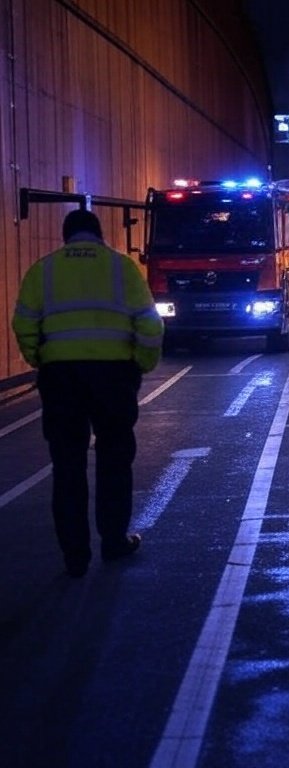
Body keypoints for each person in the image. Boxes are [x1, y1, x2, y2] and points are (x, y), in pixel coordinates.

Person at [11, 209, 164, 577]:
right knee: (114, 459)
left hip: (61, 378)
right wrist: (140, 363)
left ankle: (75, 556)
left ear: (66, 236)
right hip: (113, 378)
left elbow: (24, 323)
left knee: (67, 466)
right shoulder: (121, 268)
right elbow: (149, 324)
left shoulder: (43, 270)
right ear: (99, 235)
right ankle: (114, 542)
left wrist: (41, 359)